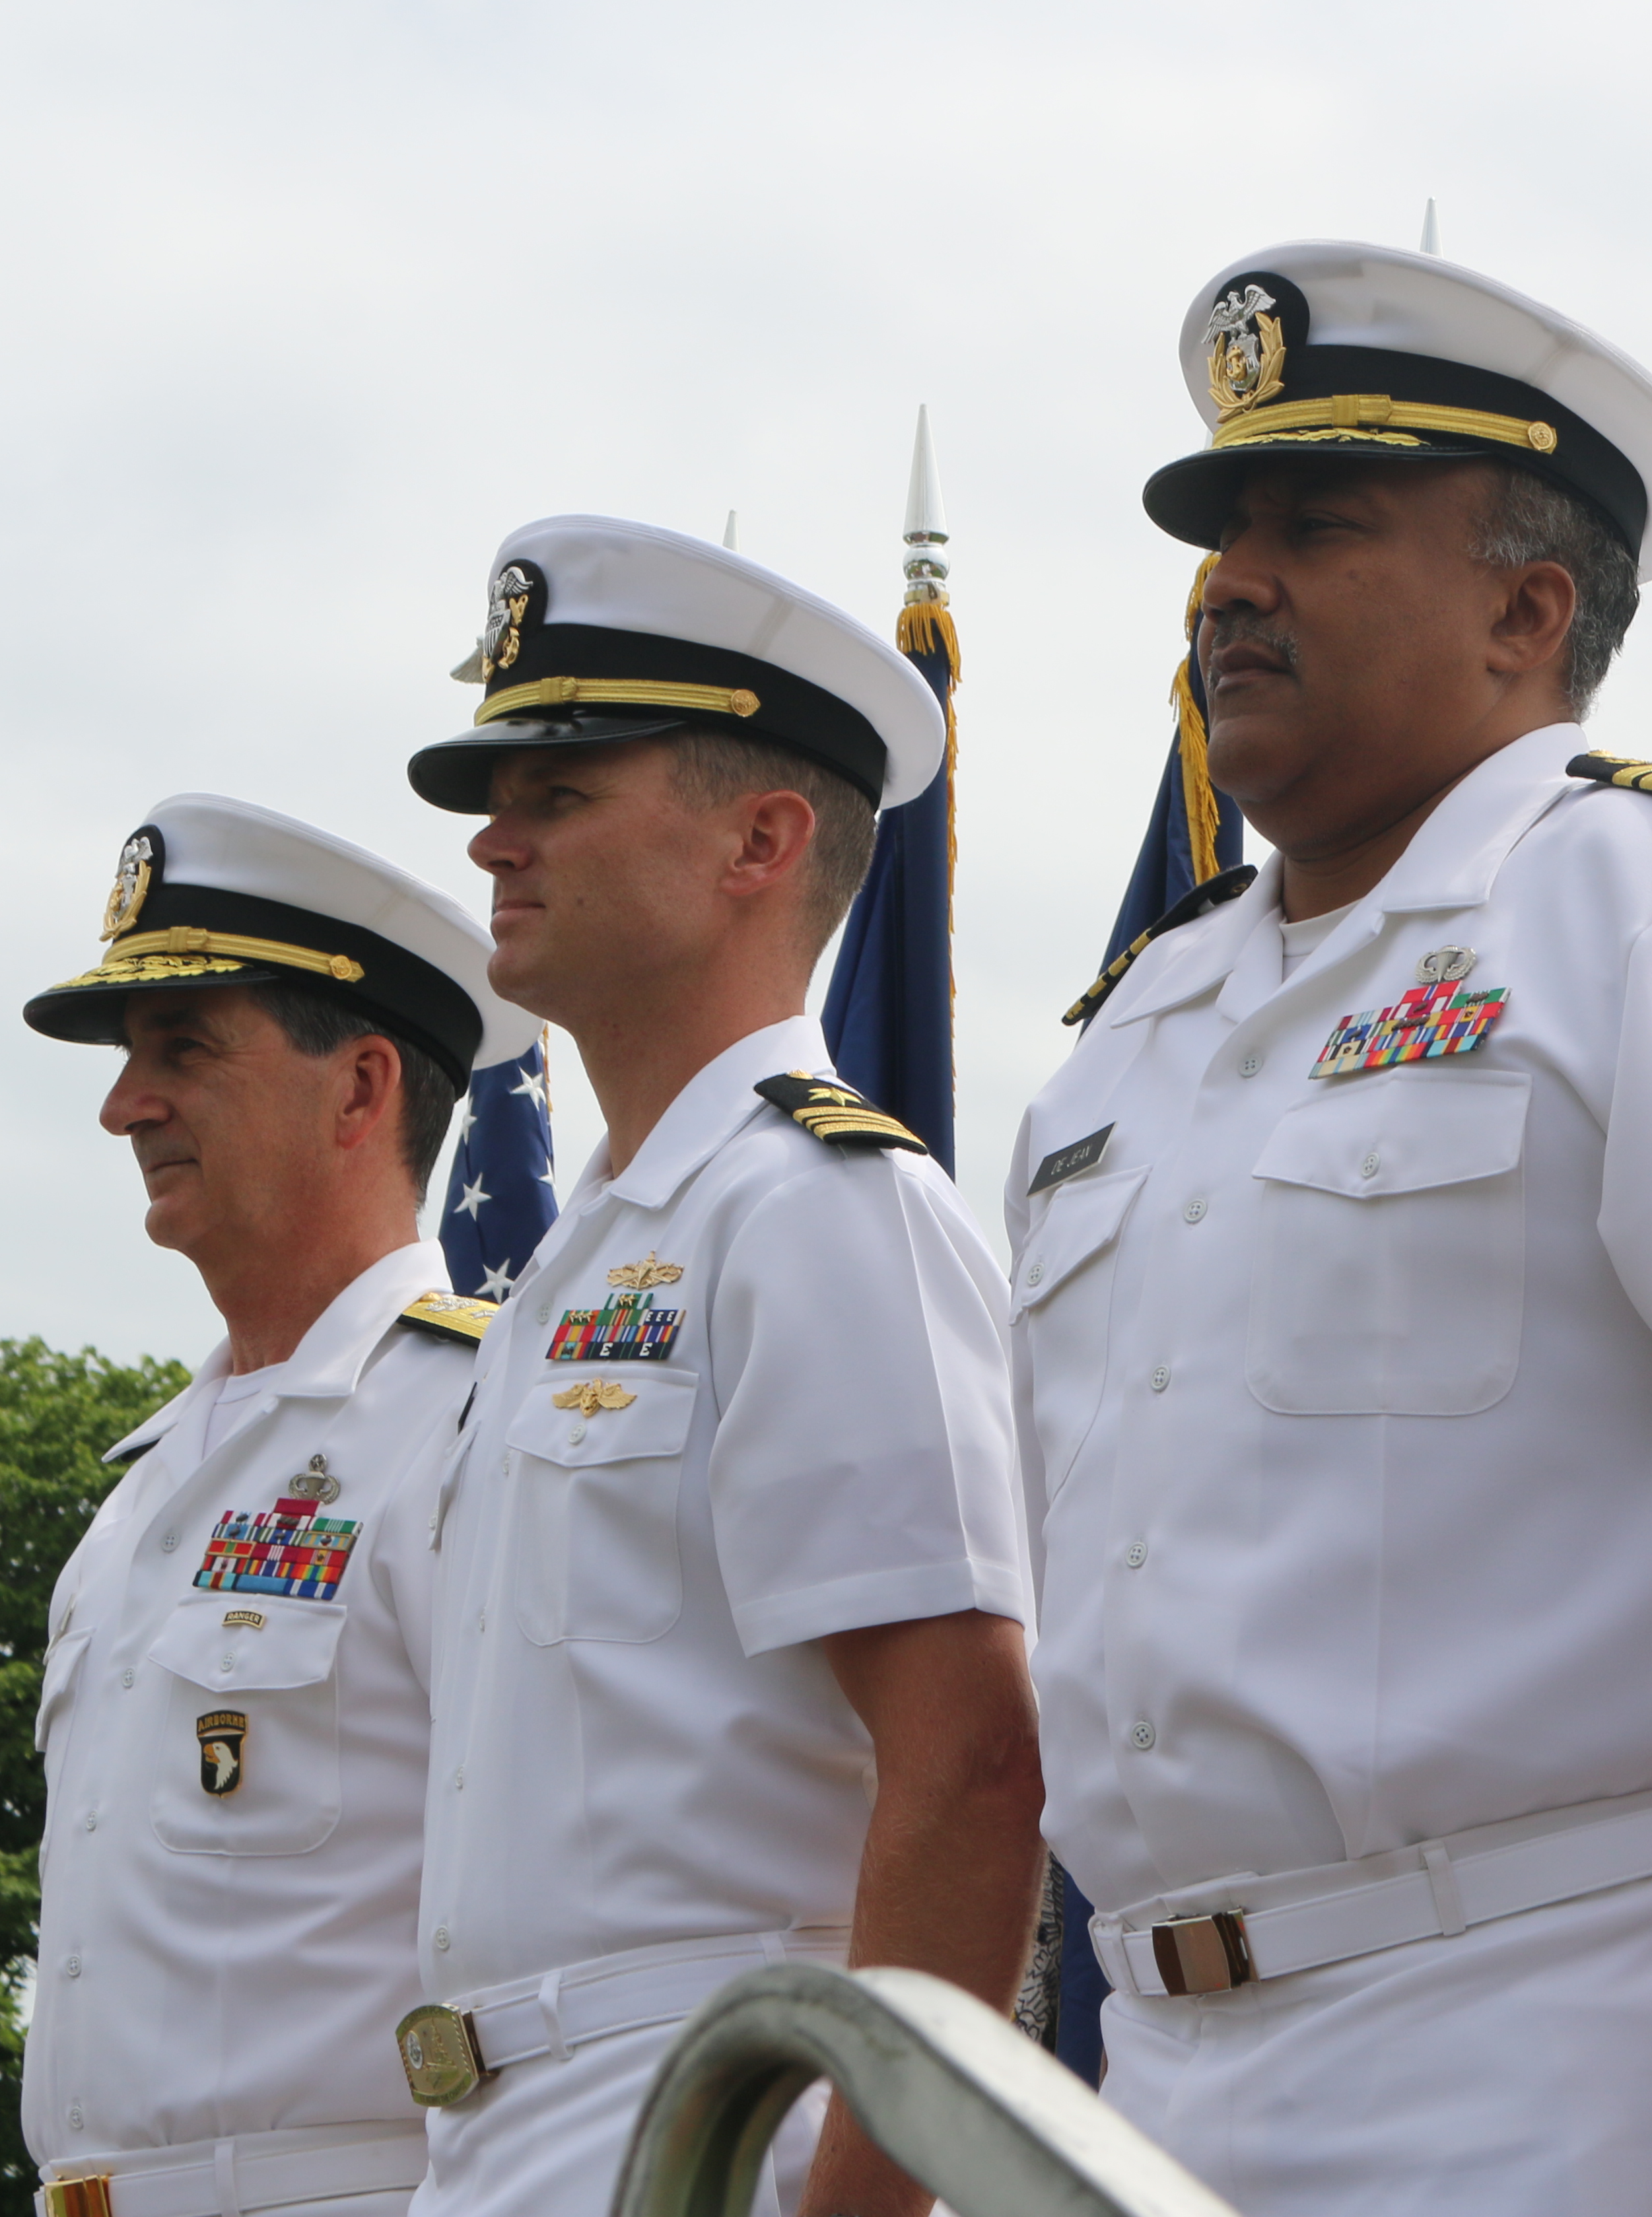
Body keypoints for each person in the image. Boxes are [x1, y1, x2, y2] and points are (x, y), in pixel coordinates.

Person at [1006, 240, 1652, 2215]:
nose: (1231, 581)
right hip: (1147, 2079)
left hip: (1565, 2053)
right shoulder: (1126, 1046)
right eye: (1226, 529)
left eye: (1316, 525)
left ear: (1530, 608)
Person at [396, 520, 1039, 2217]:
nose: (491, 836)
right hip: (508, 2143)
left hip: (720, 2120)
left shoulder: (820, 1212)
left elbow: (973, 1759)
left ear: (762, 841)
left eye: (561, 791)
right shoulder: (572, 1266)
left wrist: (862, 2204)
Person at [20, 794, 536, 2217]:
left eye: (182, 1051)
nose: (126, 1103)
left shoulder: (475, 1427)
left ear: (361, 1090)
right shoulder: (143, 1496)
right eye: (131, 1061)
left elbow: (551, 1927)